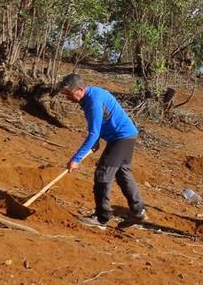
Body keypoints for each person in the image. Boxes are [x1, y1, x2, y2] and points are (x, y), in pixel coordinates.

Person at [59, 74, 146, 230]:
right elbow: (98, 125)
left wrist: (76, 159)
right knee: (122, 173)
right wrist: (97, 140)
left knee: (103, 174)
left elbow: (93, 132)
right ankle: (138, 211)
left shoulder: (93, 101)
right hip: (126, 135)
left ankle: (101, 217)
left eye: (70, 94)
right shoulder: (89, 97)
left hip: (121, 137)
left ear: (80, 89)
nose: (68, 98)